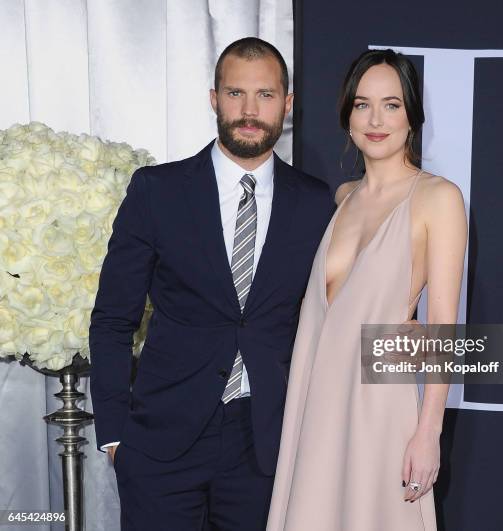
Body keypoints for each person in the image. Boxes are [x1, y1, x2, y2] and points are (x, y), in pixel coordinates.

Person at [89, 37, 335, 531]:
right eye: (235, 93)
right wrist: (115, 435)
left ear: (287, 105)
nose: (249, 110)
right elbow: (114, 318)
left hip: (266, 443)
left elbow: (331, 318)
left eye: (265, 95)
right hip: (161, 444)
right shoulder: (157, 191)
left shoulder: (315, 204)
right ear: (213, 98)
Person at [266, 49, 467, 530]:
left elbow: (443, 325)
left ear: (412, 116)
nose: (376, 119)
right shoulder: (342, 197)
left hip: (379, 413)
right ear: (347, 115)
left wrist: (428, 432)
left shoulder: (438, 198)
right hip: (313, 404)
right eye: (362, 104)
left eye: (392, 104)